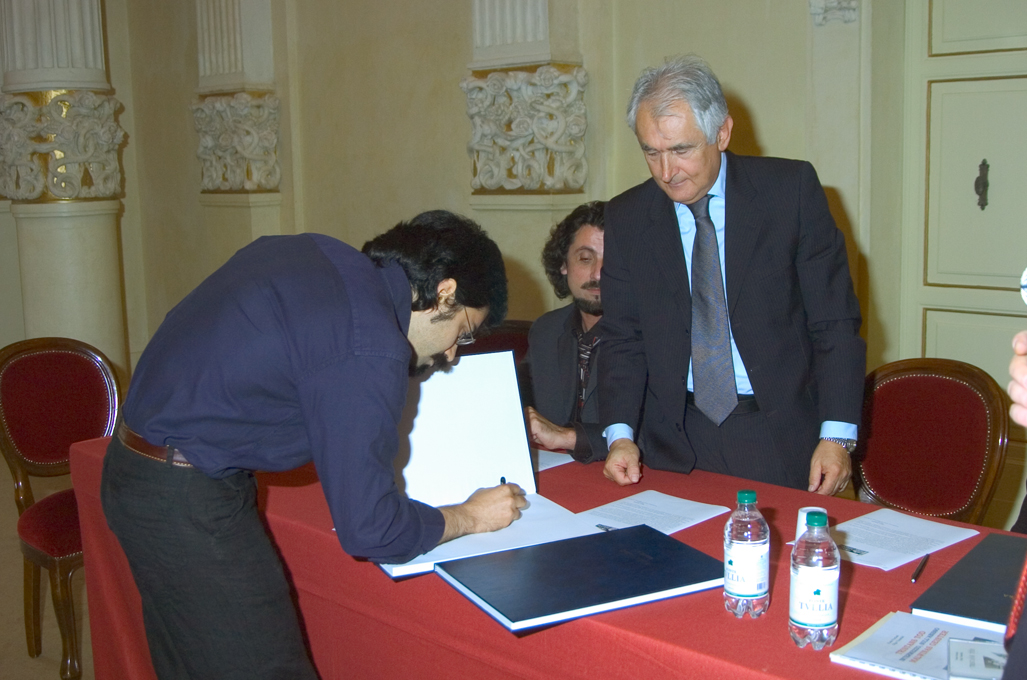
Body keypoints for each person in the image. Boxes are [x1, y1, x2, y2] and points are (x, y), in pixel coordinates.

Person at [100, 210, 528, 680]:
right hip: (186, 499)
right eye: (462, 332)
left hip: (136, 467)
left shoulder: (316, 251)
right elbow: (372, 530)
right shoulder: (369, 344)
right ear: (444, 292)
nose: (451, 353)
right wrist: (469, 516)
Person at [599, 55, 866, 495]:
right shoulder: (627, 216)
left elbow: (833, 324)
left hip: (777, 435)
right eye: (651, 152)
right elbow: (622, 338)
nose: (666, 172)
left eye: (681, 150)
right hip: (672, 441)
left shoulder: (790, 193)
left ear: (721, 133)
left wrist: (836, 436)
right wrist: (620, 434)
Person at [522, 201, 608, 463]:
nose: (598, 274)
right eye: (585, 258)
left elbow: (657, 435)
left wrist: (568, 437)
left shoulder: (651, 335)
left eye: (613, 260)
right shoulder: (546, 331)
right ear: (563, 264)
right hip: (553, 472)